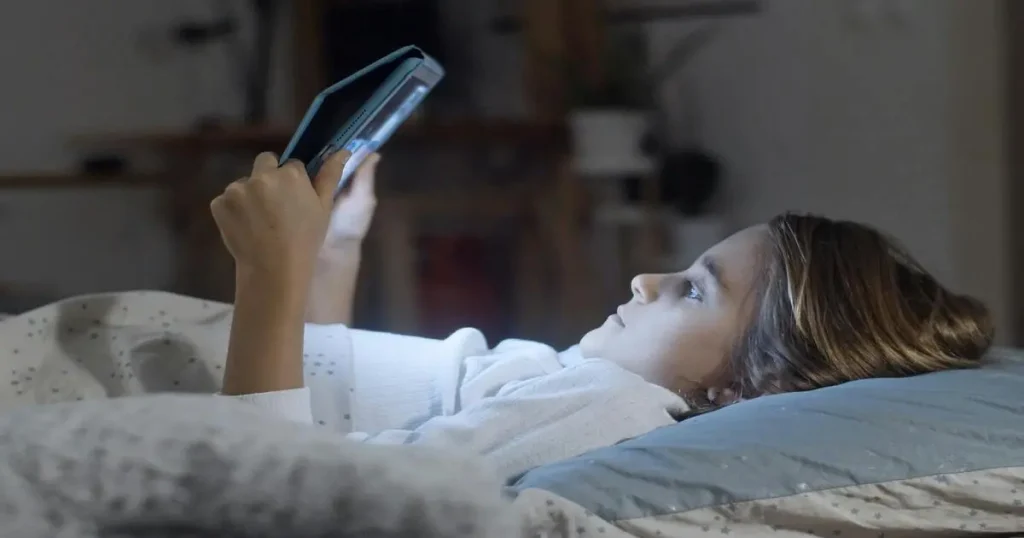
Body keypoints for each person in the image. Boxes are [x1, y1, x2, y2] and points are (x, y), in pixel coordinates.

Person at [205, 150, 994, 480]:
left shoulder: (612, 408)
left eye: (694, 290)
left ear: (748, 389)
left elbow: (279, 498)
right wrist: (334, 254)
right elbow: (341, 399)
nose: (647, 279)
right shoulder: (588, 383)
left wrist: (269, 275)